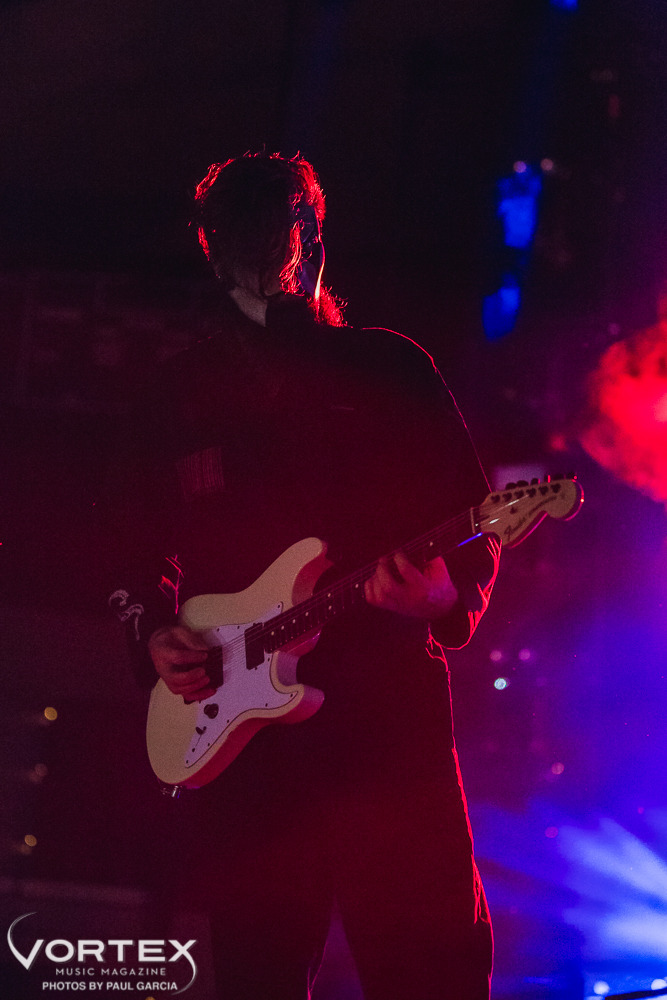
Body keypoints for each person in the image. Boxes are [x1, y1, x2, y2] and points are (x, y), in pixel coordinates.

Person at [110, 151, 501, 1000]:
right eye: (235, 250)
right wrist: (155, 631)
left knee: (429, 965)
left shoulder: (390, 369)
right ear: (211, 253)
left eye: (272, 245)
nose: (257, 271)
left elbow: (472, 520)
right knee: (259, 969)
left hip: (384, 724)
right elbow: (128, 550)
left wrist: (444, 596)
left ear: (311, 240)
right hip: (244, 739)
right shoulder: (177, 393)